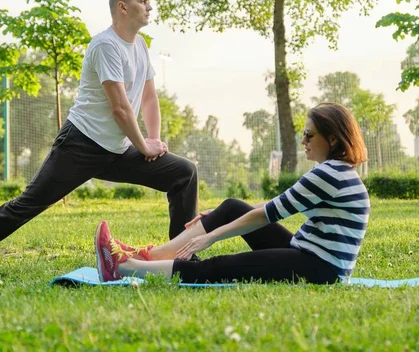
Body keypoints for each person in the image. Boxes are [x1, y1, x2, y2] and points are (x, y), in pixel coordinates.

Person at [0, 0, 198, 269]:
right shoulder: (105, 45)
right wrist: (143, 144)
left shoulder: (141, 47)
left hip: (120, 148)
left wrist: (154, 142)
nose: (150, 6)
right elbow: (121, 109)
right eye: (143, 1)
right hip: (81, 144)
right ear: (123, 7)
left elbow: (149, 98)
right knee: (29, 204)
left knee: (183, 173)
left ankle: (182, 256)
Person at [95, 103, 369, 285]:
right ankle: (152, 255)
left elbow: (266, 214)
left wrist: (211, 236)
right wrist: (218, 217)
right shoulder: (335, 171)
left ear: (332, 139)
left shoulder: (328, 174)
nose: (303, 141)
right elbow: (277, 205)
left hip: (320, 271)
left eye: (309, 135)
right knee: (233, 206)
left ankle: (123, 267)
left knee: (218, 266)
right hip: (309, 255)